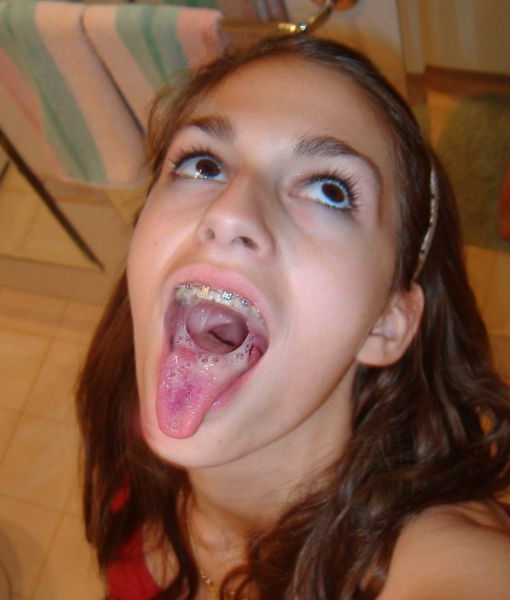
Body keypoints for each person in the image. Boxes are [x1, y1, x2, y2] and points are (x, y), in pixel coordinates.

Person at [76, 35, 510, 599]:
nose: (231, 212)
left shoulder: (437, 558)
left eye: (331, 191)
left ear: (386, 321)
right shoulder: (129, 440)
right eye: (203, 164)